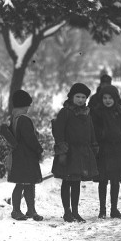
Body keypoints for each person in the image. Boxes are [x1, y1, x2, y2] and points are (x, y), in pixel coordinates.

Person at [52, 83, 100, 222]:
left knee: (77, 182)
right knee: (67, 181)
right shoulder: (65, 112)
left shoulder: (87, 113)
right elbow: (58, 132)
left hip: (82, 152)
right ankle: (67, 212)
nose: (80, 100)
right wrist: (62, 151)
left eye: (83, 97)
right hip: (69, 152)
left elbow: (91, 131)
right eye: (77, 96)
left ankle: (75, 211)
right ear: (71, 97)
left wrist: (93, 145)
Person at [90, 84, 121, 219]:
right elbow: (93, 128)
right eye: (105, 98)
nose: (107, 101)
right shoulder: (96, 112)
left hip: (117, 150)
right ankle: (102, 210)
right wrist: (102, 134)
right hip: (103, 150)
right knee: (102, 180)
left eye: (110, 98)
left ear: (115, 98)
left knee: (115, 180)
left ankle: (114, 209)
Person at [7, 90, 44, 221]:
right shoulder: (24, 119)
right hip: (26, 156)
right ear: (24, 106)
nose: (28, 108)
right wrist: (39, 149)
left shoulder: (13, 119)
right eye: (27, 105)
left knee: (27, 183)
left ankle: (30, 210)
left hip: (19, 155)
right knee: (23, 184)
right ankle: (17, 211)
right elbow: (30, 138)